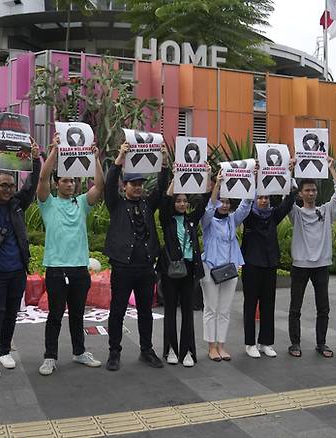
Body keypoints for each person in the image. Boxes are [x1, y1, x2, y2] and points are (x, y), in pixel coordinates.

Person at [36, 134, 104, 376]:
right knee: (55, 315)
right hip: (56, 269)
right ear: (57, 184)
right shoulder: (48, 203)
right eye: (64, 181)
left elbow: (100, 186)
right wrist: (53, 150)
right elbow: (42, 177)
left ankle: (79, 352)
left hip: (79, 269)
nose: (69, 185)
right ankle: (50, 357)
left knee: (77, 315)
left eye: (72, 181)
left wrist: (95, 159)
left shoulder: (82, 202)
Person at [0, 136, 42, 378]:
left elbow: (31, 186)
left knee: (12, 313)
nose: (8, 189)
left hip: (16, 271)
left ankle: (3, 350)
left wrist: (35, 158)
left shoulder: (16, 205)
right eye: (3, 185)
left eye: (11, 186)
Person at [104, 141, 168, 371]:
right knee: (118, 311)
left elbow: (161, 188)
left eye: (141, 184)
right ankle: (114, 352)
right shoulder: (116, 204)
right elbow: (109, 185)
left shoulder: (148, 205)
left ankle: (146, 350)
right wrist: (120, 158)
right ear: (125, 186)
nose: (138, 187)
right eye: (134, 184)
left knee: (145, 312)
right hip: (122, 267)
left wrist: (162, 162)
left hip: (145, 268)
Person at [288, 157, 336, 358]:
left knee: (324, 308)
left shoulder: (326, 210)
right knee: (295, 307)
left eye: (313, 190)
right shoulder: (295, 212)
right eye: (307, 190)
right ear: (301, 193)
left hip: (321, 265)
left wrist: (332, 168)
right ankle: (295, 343)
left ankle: (321, 343)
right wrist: (290, 171)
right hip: (300, 265)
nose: (311, 193)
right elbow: (286, 197)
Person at [240, 159, 297, 359]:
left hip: (270, 264)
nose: (263, 201)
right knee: (250, 304)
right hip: (252, 265)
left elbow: (289, 201)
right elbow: (244, 202)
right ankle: (250, 343)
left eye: (266, 198)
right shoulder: (248, 216)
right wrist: (254, 177)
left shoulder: (273, 215)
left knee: (268, 304)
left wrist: (290, 174)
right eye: (260, 197)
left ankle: (266, 342)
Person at [157, 168, 211, 367]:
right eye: (178, 201)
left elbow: (205, 200)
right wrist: (176, 178)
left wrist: (207, 175)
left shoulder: (191, 220)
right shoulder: (167, 220)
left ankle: (187, 350)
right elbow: (164, 200)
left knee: (188, 312)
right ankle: (170, 349)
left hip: (189, 271)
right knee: (170, 310)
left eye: (184, 201)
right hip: (170, 271)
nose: (181, 204)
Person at [200, 170, 253, 362]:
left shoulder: (232, 219)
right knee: (211, 308)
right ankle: (211, 346)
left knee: (224, 309)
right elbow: (208, 208)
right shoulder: (207, 221)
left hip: (230, 270)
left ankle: (221, 344)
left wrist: (250, 179)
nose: (225, 205)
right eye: (222, 201)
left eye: (228, 202)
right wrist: (217, 186)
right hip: (210, 269)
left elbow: (246, 207)